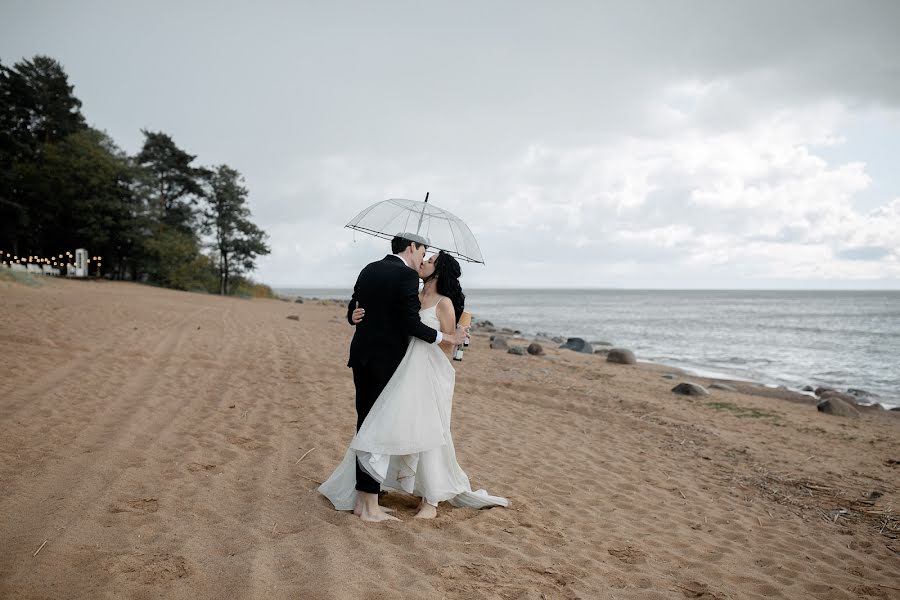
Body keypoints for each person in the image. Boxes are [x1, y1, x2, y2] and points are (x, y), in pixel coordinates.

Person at [318, 246, 508, 520]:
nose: (425, 261)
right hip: (404, 369)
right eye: (425, 256)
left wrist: (456, 338)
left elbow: (448, 349)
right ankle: (382, 485)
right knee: (401, 426)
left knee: (431, 430)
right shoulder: (413, 295)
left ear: (438, 272)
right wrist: (354, 314)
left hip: (429, 373)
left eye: (430, 260)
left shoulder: (444, 302)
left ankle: (429, 499)